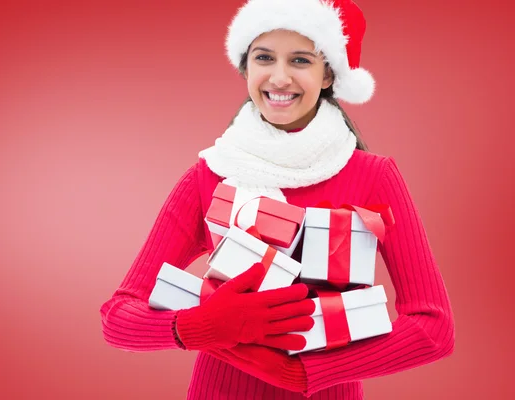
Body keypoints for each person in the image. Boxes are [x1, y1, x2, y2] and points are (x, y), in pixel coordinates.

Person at [100, 0, 455, 398]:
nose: (279, 77)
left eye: (300, 60)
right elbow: (118, 318)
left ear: (327, 76)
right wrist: (201, 327)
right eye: (264, 57)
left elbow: (433, 327)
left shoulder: (373, 176)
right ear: (247, 67)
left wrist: (304, 374)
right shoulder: (209, 174)